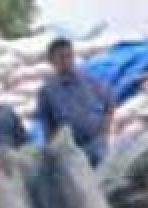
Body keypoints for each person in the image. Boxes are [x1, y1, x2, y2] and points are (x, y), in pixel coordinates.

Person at [37, 38, 115, 167]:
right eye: (61, 57)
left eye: (69, 56)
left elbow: (110, 103)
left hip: (96, 144)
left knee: (105, 180)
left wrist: (104, 132)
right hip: (70, 149)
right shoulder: (47, 91)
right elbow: (47, 125)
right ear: (52, 61)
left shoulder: (89, 81)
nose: (67, 61)